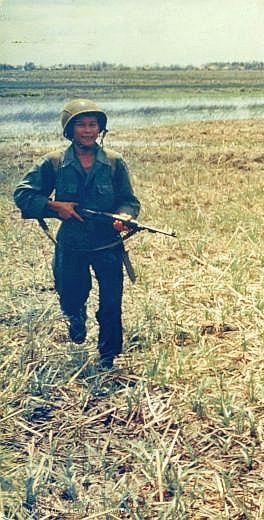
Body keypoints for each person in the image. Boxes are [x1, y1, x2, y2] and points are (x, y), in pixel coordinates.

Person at [13, 99, 141, 369]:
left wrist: (126, 217)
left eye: (92, 124)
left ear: (100, 128)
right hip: (71, 243)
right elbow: (23, 195)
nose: (87, 130)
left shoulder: (114, 162)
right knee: (70, 293)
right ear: (69, 130)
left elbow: (129, 200)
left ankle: (108, 355)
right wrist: (52, 206)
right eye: (81, 125)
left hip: (107, 243)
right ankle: (76, 316)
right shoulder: (54, 162)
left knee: (111, 302)